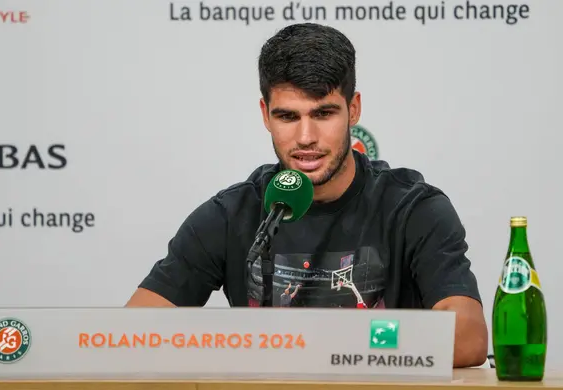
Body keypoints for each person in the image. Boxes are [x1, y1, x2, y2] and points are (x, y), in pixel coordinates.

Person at [126, 22, 488, 367]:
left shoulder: (413, 209)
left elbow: (467, 339)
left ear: (354, 109)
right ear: (265, 115)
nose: (305, 138)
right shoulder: (230, 215)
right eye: (287, 117)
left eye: (324, 113)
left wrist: (308, 344)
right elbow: (133, 336)